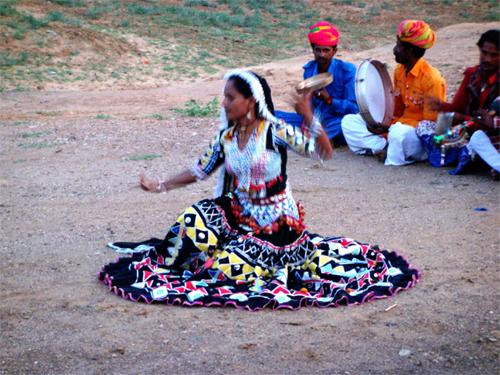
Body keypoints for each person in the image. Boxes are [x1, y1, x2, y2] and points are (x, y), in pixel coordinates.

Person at [98, 70, 419, 310]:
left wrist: (308, 115)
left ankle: (247, 254)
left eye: (230, 97)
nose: (224, 103)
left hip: (279, 223)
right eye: (224, 96)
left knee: (226, 270)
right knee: (193, 219)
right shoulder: (226, 138)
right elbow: (199, 170)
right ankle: (214, 248)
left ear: (250, 102)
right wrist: (160, 186)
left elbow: (323, 152)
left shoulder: (273, 131)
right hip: (242, 212)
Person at [341, 20, 446, 165]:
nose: (394, 50)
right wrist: (383, 123)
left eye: (399, 46)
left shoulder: (432, 79)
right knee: (349, 121)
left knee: (398, 133)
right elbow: (396, 110)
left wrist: (392, 127)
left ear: (411, 50)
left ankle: (387, 149)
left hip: (417, 137)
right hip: (397, 126)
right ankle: (384, 147)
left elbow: (431, 125)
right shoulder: (399, 71)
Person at [417, 29, 499, 176]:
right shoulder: (472, 75)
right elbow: (458, 107)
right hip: (468, 130)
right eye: (484, 53)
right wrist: (441, 106)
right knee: (425, 126)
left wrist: (463, 119)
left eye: (494, 55)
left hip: (491, 135)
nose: (487, 59)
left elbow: (490, 122)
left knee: (476, 139)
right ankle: (466, 158)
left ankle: (468, 158)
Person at [275, 21, 358, 145]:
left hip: (336, 120)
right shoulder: (309, 70)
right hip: (314, 120)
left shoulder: (347, 71)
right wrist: (302, 106)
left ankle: (303, 138)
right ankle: (307, 137)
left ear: (335, 51)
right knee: (272, 115)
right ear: (312, 50)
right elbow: (309, 109)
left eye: (326, 50)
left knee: (346, 124)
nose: (321, 55)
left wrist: (329, 100)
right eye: (317, 50)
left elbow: (354, 108)